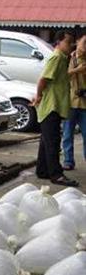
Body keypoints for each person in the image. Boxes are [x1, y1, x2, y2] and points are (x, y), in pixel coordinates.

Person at [34, 30, 78, 186]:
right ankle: (56, 174)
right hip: (51, 106)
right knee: (52, 141)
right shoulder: (57, 57)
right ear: (58, 42)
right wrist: (38, 96)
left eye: (73, 42)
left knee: (46, 140)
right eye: (68, 42)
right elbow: (43, 79)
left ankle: (42, 170)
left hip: (54, 105)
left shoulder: (63, 58)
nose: (71, 45)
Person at [62, 30, 86, 170]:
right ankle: (68, 161)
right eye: (84, 42)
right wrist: (77, 70)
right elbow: (62, 76)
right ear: (77, 42)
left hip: (84, 104)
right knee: (67, 134)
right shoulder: (67, 58)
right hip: (70, 102)